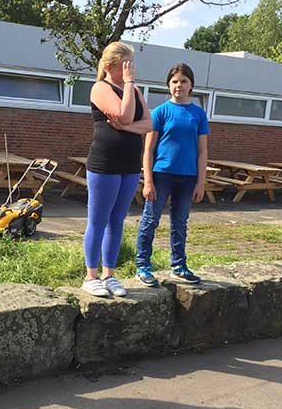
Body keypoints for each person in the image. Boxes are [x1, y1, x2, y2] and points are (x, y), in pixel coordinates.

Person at [82, 41, 152, 298]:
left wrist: (126, 128)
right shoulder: (101, 87)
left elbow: (148, 124)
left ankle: (108, 274)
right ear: (112, 66)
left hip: (129, 165)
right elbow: (124, 114)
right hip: (105, 164)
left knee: (117, 221)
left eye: (132, 64)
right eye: (126, 64)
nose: (130, 69)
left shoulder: (134, 90)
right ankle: (90, 276)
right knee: (98, 220)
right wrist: (130, 85)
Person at [135, 63, 209, 286]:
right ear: (168, 85)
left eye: (184, 81)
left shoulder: (198, 114)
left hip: (188, 178)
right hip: (161, 175)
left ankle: (178, 265)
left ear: (191, 85)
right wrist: (148, 181)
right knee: (150, 220)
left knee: (180, 222)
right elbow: (148, 150)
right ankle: (142, 266)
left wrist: (201, 182)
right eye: (175, 81)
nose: (179, 85)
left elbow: (203, 151)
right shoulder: (160, 112)